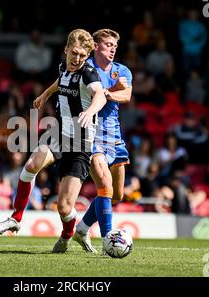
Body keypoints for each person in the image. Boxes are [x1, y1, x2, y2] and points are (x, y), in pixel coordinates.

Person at [0, 29, 107, 253]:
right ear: (66, 50)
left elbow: (100, 95)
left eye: (83, 55)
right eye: (74, 53)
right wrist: (45, 95)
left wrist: (90, 109)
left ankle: (69, 234)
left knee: (64, 207)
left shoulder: (89, 74)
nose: (78, 59)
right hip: (59, 133)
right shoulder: (64, 66)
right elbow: (59, 82)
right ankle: (16, 218)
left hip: (80, 143)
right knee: (31, 165)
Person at [72, 29, 133, 254]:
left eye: (115, 45)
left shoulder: (122, 70)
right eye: (108, 44)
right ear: (96, 46)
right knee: (104, 187)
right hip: (92, 134)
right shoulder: (85, 68)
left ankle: (82, 227)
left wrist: (106, 93)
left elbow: (126, 95)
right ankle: (109, 238)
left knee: (116, 195)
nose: (113, 48)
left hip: (115, 138)